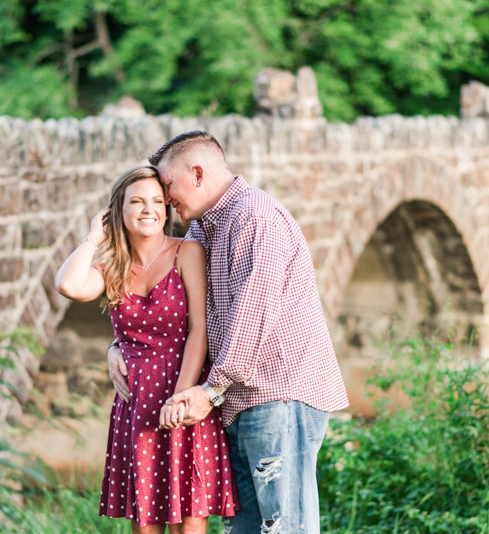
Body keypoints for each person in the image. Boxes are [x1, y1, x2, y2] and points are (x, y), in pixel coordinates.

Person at [107, 132, 349, 533]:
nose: (165, 200)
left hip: (278, 397)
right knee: (246, 529)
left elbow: (252, 320)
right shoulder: (203, 230)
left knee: (283, 528)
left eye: (167, 186)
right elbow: (170, 313)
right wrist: (119, 346)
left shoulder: (255, 219)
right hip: (236, 399)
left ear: (197, 174)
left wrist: (208, 390)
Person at [56, 166, 237, 534]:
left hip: (184, 392)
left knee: (191, 522)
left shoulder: (187, 251)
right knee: (145, 523)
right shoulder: (112, 266)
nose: (148, 209)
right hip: (137, 402)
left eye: (157, 201)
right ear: (117, 211)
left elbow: (199, 328)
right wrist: (94, 235)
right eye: (136, 201)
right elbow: (68, 285)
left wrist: (183, 397)